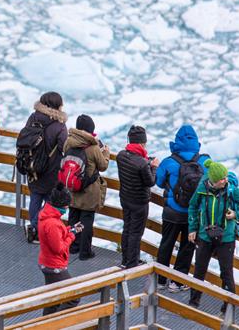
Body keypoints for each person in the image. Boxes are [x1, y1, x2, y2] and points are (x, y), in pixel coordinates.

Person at [188, 160, 239, 312]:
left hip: (226, 237)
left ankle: (228, 308)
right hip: (205, 235)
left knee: (226, 272)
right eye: (222, 179)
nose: (226, 180)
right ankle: (193, 303)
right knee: (199, 270)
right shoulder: (202, 188)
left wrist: (236, 214)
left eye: (226, 177)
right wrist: (192, 228)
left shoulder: (231, 190)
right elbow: (192, 206)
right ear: (213, 181)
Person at [156, 125, 210, 292]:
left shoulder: (168, 162)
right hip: (194, 215)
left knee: (167, 244)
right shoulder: (204, 161)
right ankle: (178, 282)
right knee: (188, 246)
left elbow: (158, 182)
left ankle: (161, 279)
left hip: (172, 212)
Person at [23, 93, 68, 243]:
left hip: (32, 165)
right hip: (51, 169)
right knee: (50, 202)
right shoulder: (59, 125)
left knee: (35, 197)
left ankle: (34, 230)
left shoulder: (33, 117)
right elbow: (64, 147)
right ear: (58, 106)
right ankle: (36, 227)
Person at [64, 115, 110, 260]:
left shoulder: (68, 142)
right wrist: (106, 153)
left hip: (72, 186)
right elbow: (103, 166)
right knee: (86, 220)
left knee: (73, 217)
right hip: (89, 190)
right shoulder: (93, 147)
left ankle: (73, 246)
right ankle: (85, 252)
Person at [116, 125, 159, 268]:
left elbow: (133, 163)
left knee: (127, 228)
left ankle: (125, 259)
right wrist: (153, 167)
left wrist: (147, 163)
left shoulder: (121, 156)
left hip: (125, 198)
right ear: (142, 143)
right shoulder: (141, 163)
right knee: (135, 233)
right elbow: (150, 181)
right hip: (139, 202)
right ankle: (132, 264)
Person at [38, 182, 83, 316]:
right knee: (73, 298)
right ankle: (55, 323)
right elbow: (59, 248)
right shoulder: (53, 223)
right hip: (54, 266)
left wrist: (70, 229)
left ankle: (46, 324)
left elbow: (56, 236)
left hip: (47, 262)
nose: (68, 207)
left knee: (53, 301)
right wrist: (72, 235)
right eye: (66, 205)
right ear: (61, 204)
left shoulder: (47, 215)